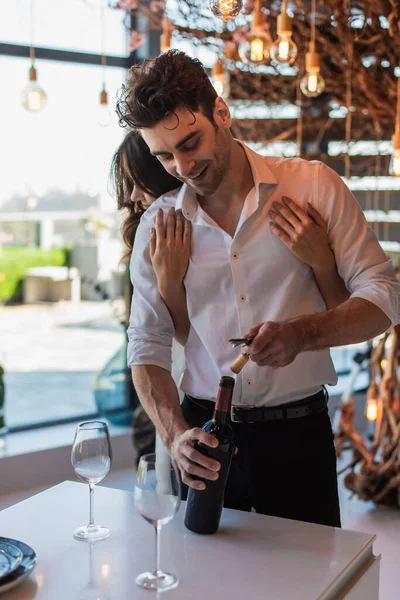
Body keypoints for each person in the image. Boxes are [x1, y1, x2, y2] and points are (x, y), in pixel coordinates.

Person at [116, 52, 399, 527]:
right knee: (207, 586)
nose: (183, 166)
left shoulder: (313, 186)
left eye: (190, 142)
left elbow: (384, 298)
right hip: (202, 435)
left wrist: (301, 335)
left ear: (221, 113)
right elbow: (146, 343)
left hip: (297, 434)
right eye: (165, 155)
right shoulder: (158, 225)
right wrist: (174, 434)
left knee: (308, 588)